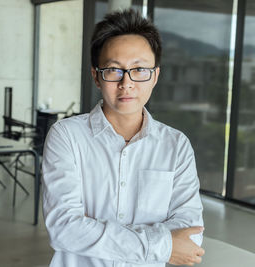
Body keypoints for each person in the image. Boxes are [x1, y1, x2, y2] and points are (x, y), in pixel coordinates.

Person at [42, 8, 205, 267]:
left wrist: (93, 231)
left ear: (155, 76)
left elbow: (190, 235)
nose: (126, 83)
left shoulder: (176, 145)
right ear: (96, 76)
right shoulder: (67, 136)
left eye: (139, 69)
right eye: (114, 70)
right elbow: (64, 229)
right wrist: (161, 245)